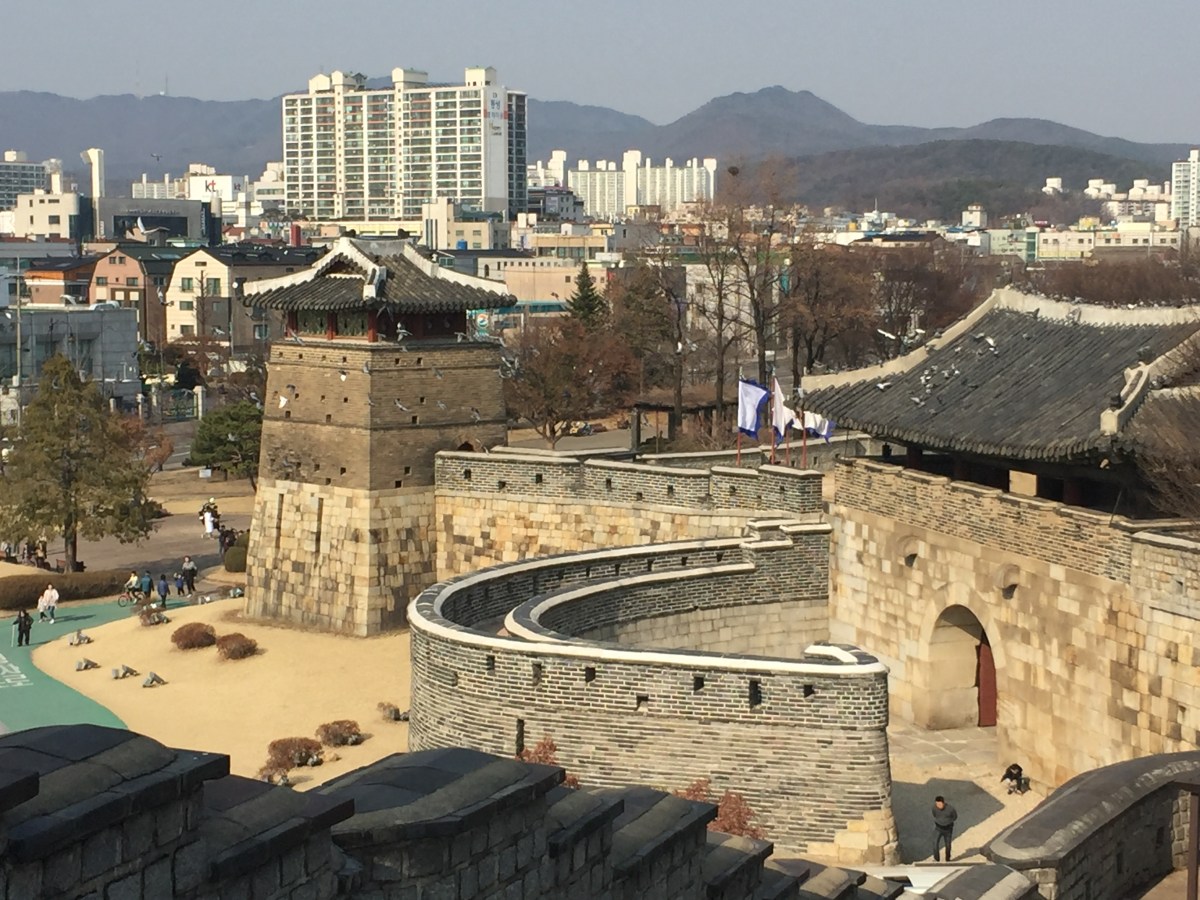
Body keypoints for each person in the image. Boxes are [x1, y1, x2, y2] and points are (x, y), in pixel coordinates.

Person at [932, 795, 958, 862]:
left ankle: (947, 858)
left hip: (948, 829)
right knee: (935, 843)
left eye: (940, 804)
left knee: (948, 845)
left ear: (943, 803)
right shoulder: (934, 808)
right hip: (938, 828)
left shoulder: (950, 809)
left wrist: (948, 822)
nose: (938, 806)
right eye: (937, 804)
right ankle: (936, 858)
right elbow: (934, 814)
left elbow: (955, 817)